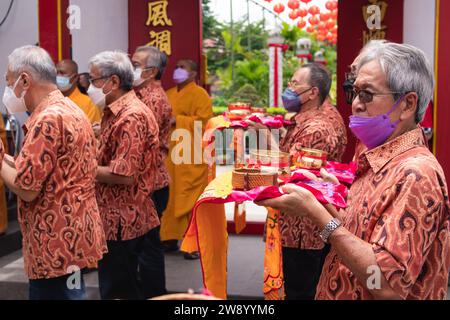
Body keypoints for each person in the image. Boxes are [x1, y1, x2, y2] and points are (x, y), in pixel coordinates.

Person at [258, 41, 450, 300]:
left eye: (367, 94)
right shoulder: (378, 158)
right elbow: (360, 233)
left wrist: (317, 216)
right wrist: (318, 201)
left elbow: (385, 284)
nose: (356, 104)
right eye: (354, 92)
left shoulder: (415, 174)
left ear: (407, 105)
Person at [0, 45, 107, 300]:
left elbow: (27, 188)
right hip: (74, 231)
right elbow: (44, 169)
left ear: (25, 80)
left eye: (9, 81)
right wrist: (6, 159)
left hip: (55, 240)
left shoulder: (47, 119)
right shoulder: (69, 109)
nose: (7, 90)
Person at [88, 51, 166, 299]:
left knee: (118, 290)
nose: (91, 87)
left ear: (113, 82)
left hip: (123, 219)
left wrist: (78, 167)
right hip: (117, 216)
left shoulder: (131, 115)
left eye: (94, 80)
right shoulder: (114, 112)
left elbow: (123, 175)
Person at [268, 63, 347, 300]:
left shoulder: (316, 128)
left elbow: (290, 174)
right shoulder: (313, 118)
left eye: (295, 83)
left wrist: (264, 137)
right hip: (306, 225)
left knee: (299, 290)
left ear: (313, 92)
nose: (289, 88)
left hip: (303, 229)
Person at [160, 59, 213, 259]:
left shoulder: (200, 94)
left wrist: (179, 120)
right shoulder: (169, 93)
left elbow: (205, 121)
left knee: (190, 198)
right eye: (177, 66)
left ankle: (193, 244)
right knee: (171, 196)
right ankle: (170, 238)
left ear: (193, 74)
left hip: (190, 153)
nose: (178, 70)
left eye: (183, 67)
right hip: (171, 153)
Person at [131, 46, 172, 219]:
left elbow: (140, 142)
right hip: (145, 182)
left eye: (135, 65)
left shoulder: (152, 100)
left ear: (152, 71)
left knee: (147, 243)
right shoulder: (139, 95)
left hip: (150, 184)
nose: (131, 70)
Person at [56, 60, 101, 124]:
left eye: (62, 73)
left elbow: (92, 131)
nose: (58, 76)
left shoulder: (88, 104)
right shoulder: (51, 100)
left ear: (75, 77)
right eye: (56, 73)